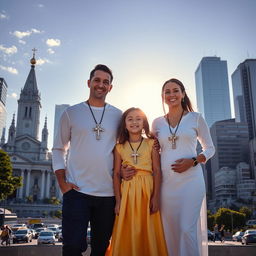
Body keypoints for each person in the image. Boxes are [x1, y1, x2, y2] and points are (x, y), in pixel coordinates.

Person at [52, 64, 122, 256]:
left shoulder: (119, 115)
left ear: (110, 87)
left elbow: (125, 148)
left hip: (108, 194)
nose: (101, 85)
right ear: (89, 83)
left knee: (100, 250)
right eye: (97, 80)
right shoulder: (71, 113)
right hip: (76, 192)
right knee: (72, 247)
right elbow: (58, 149)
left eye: (106, 82)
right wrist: (62, 183)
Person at [151, 78, 215, 256]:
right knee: (169, 232)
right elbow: (150, 149)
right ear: (163, 96)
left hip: (191, 181)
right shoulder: (157, 123)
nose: (171, 95)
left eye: (175, 90)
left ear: (183, 93)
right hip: (166, 184)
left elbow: (210, 148)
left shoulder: (196, 118)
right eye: (167, 92)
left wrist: (193, 161)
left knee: (187, 229)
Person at [106, 107, 168, 256]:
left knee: (148, 229)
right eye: (130, 119)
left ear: (144, 122)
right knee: (128, 228)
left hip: (147, 191)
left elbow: (158, 171)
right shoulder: (119, 147)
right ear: (125, 124)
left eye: (138, 119)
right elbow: (115, 174)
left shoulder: (151, 143)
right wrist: (118, 201)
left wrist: (156, 197)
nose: (134, 122)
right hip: (127, 193)